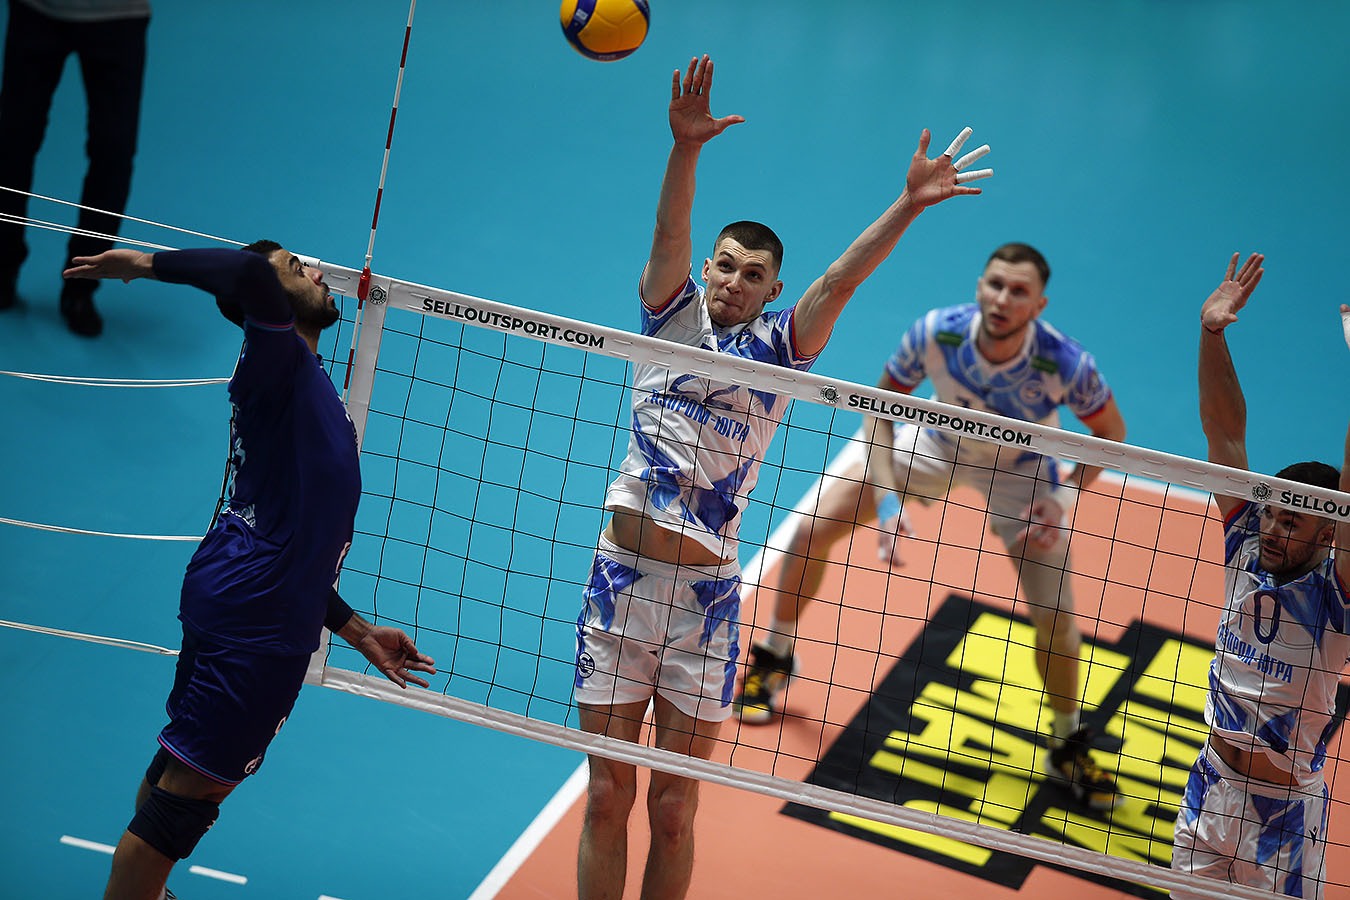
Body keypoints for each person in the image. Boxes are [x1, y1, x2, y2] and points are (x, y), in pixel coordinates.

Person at [571, 54, 991, 899]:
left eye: (753, 274)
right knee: (609, 795)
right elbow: (669, 236)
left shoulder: (781, 351)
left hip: (705, 603)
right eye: (724, 265)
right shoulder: (667, 315)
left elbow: (841, 278)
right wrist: (686, 148)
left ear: (773, 290)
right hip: (621, 584)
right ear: (708, 270)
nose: (733, 281)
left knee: (674, 809)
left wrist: (909, 203)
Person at [63, 242, 437, 900]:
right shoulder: (278, 357)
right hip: (258, 620)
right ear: (258, 299)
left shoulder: (295, 373)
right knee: (193, 793)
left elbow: (295, 540)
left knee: (184, 766)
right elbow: (243, 270)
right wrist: (144, 266)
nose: (317, 272)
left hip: (248, 589)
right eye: (296, 268)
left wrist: (355, 631)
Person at [733, 241, 1129, 811]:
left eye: (1018, 291)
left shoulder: (1064, 364)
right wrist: (887, 503)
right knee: (813, 528)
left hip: (1022, 476)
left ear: (1038, 305)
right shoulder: (938, 333)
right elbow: (880, 410)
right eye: (995, 284)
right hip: (938, 445)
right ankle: (776, 655)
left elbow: (1111, 434)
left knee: (1058, 619)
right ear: (980, 285)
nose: (1002, 299)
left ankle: (1067, 742)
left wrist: (1062, 499)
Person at [1171, 252, 1349, 899]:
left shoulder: (1336, 592)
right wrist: (1211, 332)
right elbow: (1224, 433)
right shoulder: (1246, 542)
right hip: (1210, 786)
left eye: (1291, 523)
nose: (1273, 528)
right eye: (1272, 512)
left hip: (1285, 819)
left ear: (1329, 535)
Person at [0, 0, 151, 336]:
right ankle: (2, 266)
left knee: (113, 154)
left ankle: (81, 285)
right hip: (36, 11)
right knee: (11, 144)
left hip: (119, 17)